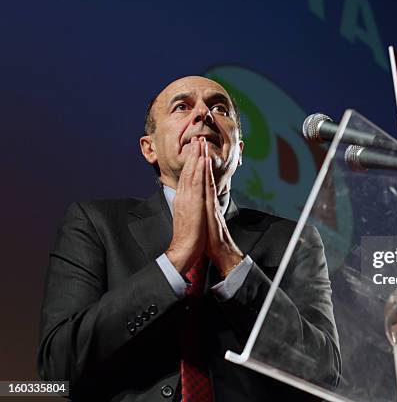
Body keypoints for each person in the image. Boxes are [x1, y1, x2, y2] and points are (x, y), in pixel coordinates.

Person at [38, 75, 341, 401]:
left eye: (219, 108)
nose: (203, 115)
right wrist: (176, 258)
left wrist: (230, 259)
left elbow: (323, 372)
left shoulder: (293, 240)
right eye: (182, 107)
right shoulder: (96, 223)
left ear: (239, 152)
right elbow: (58, 363)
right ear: (149, 148)